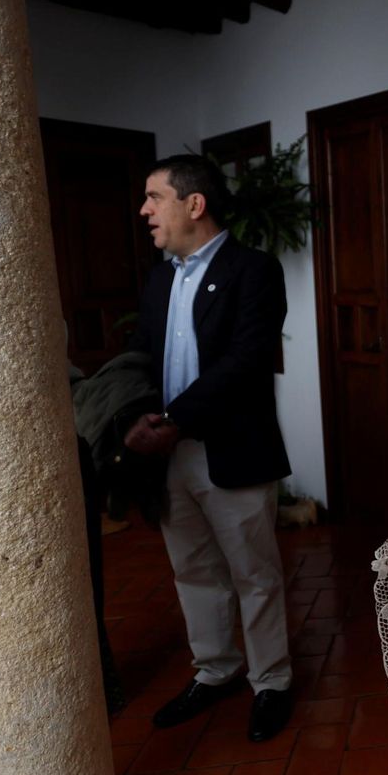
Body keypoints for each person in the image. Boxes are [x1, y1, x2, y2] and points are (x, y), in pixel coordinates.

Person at [125, 154, 294, 742]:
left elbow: (245, 364)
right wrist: (135, 418)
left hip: (231, 448)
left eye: (155, 197)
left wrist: (176, 418)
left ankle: (272, 682)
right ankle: (216, 670)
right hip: (168, 453)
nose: (145, 210)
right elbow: (142, 355)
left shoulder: (254, 271)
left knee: (255, 574)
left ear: (193, 204)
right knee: (193, 570)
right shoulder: (159, 277)